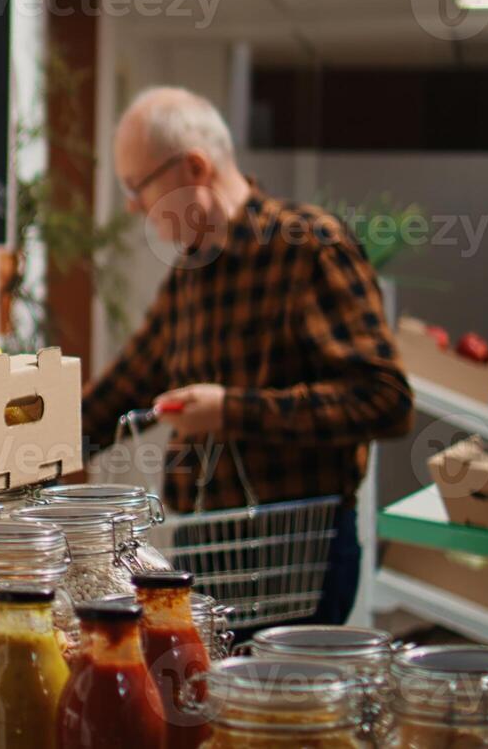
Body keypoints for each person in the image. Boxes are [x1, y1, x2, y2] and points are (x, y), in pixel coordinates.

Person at [81, 86, 413, 627]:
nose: (134, 205)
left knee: (278, 708)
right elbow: (119, 393)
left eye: (138, 186)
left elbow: (385, 400)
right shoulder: (191, 277)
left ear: (193, 168)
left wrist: (232, 410)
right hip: (207, 551)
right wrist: (20, 451)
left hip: (296, 556)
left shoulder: (309, 249)